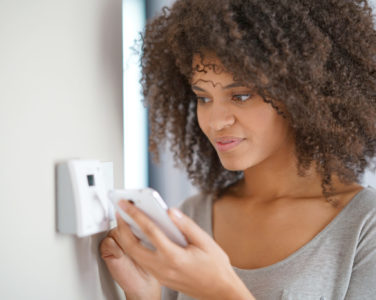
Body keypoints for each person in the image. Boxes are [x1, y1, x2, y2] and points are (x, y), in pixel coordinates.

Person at [100, 0, 376, 299]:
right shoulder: (193, 216)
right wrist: (145, 295)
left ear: (304, 93)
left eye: (241, 96)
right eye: (204, 98)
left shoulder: (365, 228)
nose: (216, 121)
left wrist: (220, 289)